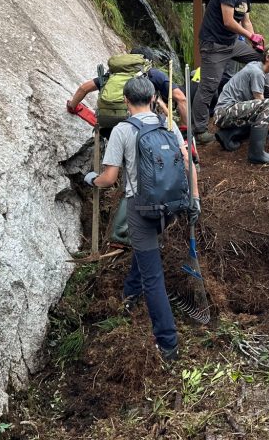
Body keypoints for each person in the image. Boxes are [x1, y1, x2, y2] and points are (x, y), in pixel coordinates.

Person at [85, 76, 200, 362]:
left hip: (140, 209)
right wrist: (194, 198)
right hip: (170, 206)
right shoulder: (168, 125)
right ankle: (129, 294)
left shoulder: (123, 130)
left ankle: (168, 343)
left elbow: (110, 179)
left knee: (153, 276)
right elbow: (188, 162)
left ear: (125, 100)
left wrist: (91, 179)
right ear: (152, 99)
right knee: (146, 249)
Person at [193, 0, 269, 143]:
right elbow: (228, 21)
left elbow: (245, 21)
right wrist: (250, 37)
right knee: (208, 87)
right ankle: (200, 131)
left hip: (231, 42)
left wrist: (255, 40)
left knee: (262, 56)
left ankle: (265, 96)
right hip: (214, 45)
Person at [67, 47, 188, 129]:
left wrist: (73, 106)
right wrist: (183, 128)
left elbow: (84, 88)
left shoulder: (114, 74)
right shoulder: (154, 74)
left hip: (108, 120)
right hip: (141, 124)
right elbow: (181, 99)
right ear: (149, 62)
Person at [212, 42, 269, 164]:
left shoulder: (262, 70)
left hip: (230, 111)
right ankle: (256, 154)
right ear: (268, 58)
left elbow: (262, 101)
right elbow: (261, 103)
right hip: (224, 112)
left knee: (264, 110)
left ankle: (227, 135)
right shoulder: (256, 72)